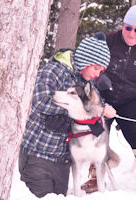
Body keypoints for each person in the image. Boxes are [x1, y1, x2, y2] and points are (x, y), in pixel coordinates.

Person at [81, 5, 136, 193]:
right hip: (103, 98)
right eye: (128, 27)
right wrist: (99, 78)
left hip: (129, 100)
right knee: (98, 134)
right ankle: (95, 178)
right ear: (123, 25)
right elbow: (87, 62)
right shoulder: (108, 40)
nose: (131, 33)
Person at [18, 32, 116, 198]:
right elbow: (39, 101)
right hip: (38, 157)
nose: (97, 74)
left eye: (101, 71)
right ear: (86, 61)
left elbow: (90, 105)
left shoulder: (85, 80)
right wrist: (74, 112)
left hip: (63, 162)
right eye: (96, 68)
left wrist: (103, 108)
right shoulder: (54, 71)